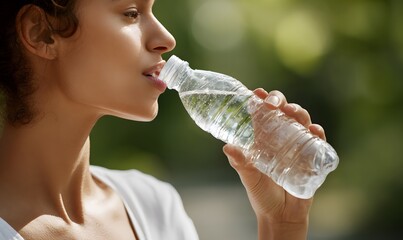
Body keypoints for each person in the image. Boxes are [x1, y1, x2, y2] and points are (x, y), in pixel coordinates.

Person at [0, 0, 328, 239]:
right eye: (131, 13)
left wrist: (280, 226)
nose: (166, 39)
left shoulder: (153, 204)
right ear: (41, 33)